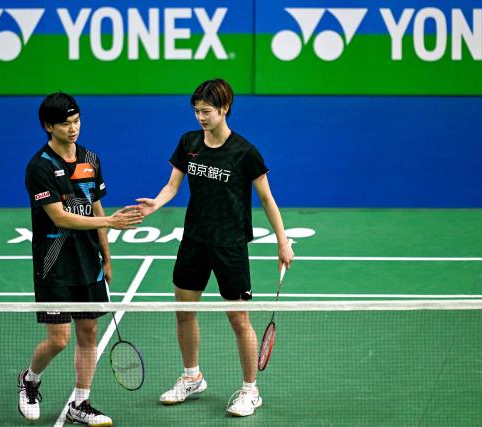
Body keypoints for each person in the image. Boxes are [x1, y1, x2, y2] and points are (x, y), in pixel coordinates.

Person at [136, 78, 294, 417]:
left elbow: (266, 198)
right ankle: (192, 376)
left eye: (206, 111)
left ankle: (251, 390)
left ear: (224, 109)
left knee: (239, 320)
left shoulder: (245, 152)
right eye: (196, 111)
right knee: (184, 312)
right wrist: (156, 204)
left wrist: (283, 241)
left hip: (230, 244)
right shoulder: (189, 142)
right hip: (194, 239)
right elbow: (172, 185)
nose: (200, 117)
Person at [19, 92, 143, 425]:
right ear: (48, 126)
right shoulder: (40, 167)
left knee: (88, 334)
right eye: (65, 123)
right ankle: (30, 379)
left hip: (88, 262)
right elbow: (60, 217)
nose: (73, 128)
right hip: (55, 264)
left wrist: (107, 255)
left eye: (77, 121)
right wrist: (110, 223)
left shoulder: (90, 158)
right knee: (59, 339)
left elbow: (96, 205)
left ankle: (80, 403)